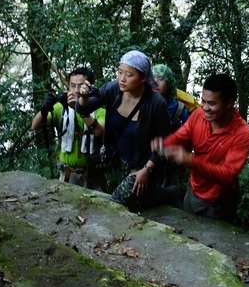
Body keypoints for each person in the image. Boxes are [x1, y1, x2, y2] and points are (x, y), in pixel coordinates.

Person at [75, 50, 175, 211]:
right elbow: (82, 109)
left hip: (143, 165)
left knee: (115, 205)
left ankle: (166, 193)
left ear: (143, 78)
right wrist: (83, 97)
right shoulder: (113, 90)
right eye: (119, 72)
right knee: (128, 203)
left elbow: (166, 143)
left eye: (128, 74)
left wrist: (147, 170)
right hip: (117, 159)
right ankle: (155, 196)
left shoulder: (156, 104)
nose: (122, 78)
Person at [154, 73, 249, 221]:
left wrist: (189, 160)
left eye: (212, 103)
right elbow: (181, 135)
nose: (205, 107)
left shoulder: (243, 134)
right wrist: (163, 144)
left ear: (229, 103)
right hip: (193, 189)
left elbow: (228, 175)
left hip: (218, 202)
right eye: (203, 101)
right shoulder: (199, 115)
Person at [31, 67, 105, 188]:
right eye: (72, 86)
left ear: (89, 87)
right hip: (67, 174)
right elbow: (35, 126)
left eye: (80, 86)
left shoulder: (99, 111)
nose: (76, 90)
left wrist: (79, 108)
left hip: (92, 175)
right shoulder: (61, 109)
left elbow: (98, 132)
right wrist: (45, 107)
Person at [152, 64, 190, 132]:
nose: (156, 82)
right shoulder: (141, 103)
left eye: (161, 79)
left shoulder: (179, 110)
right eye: (153, 78)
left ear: (169, 83)